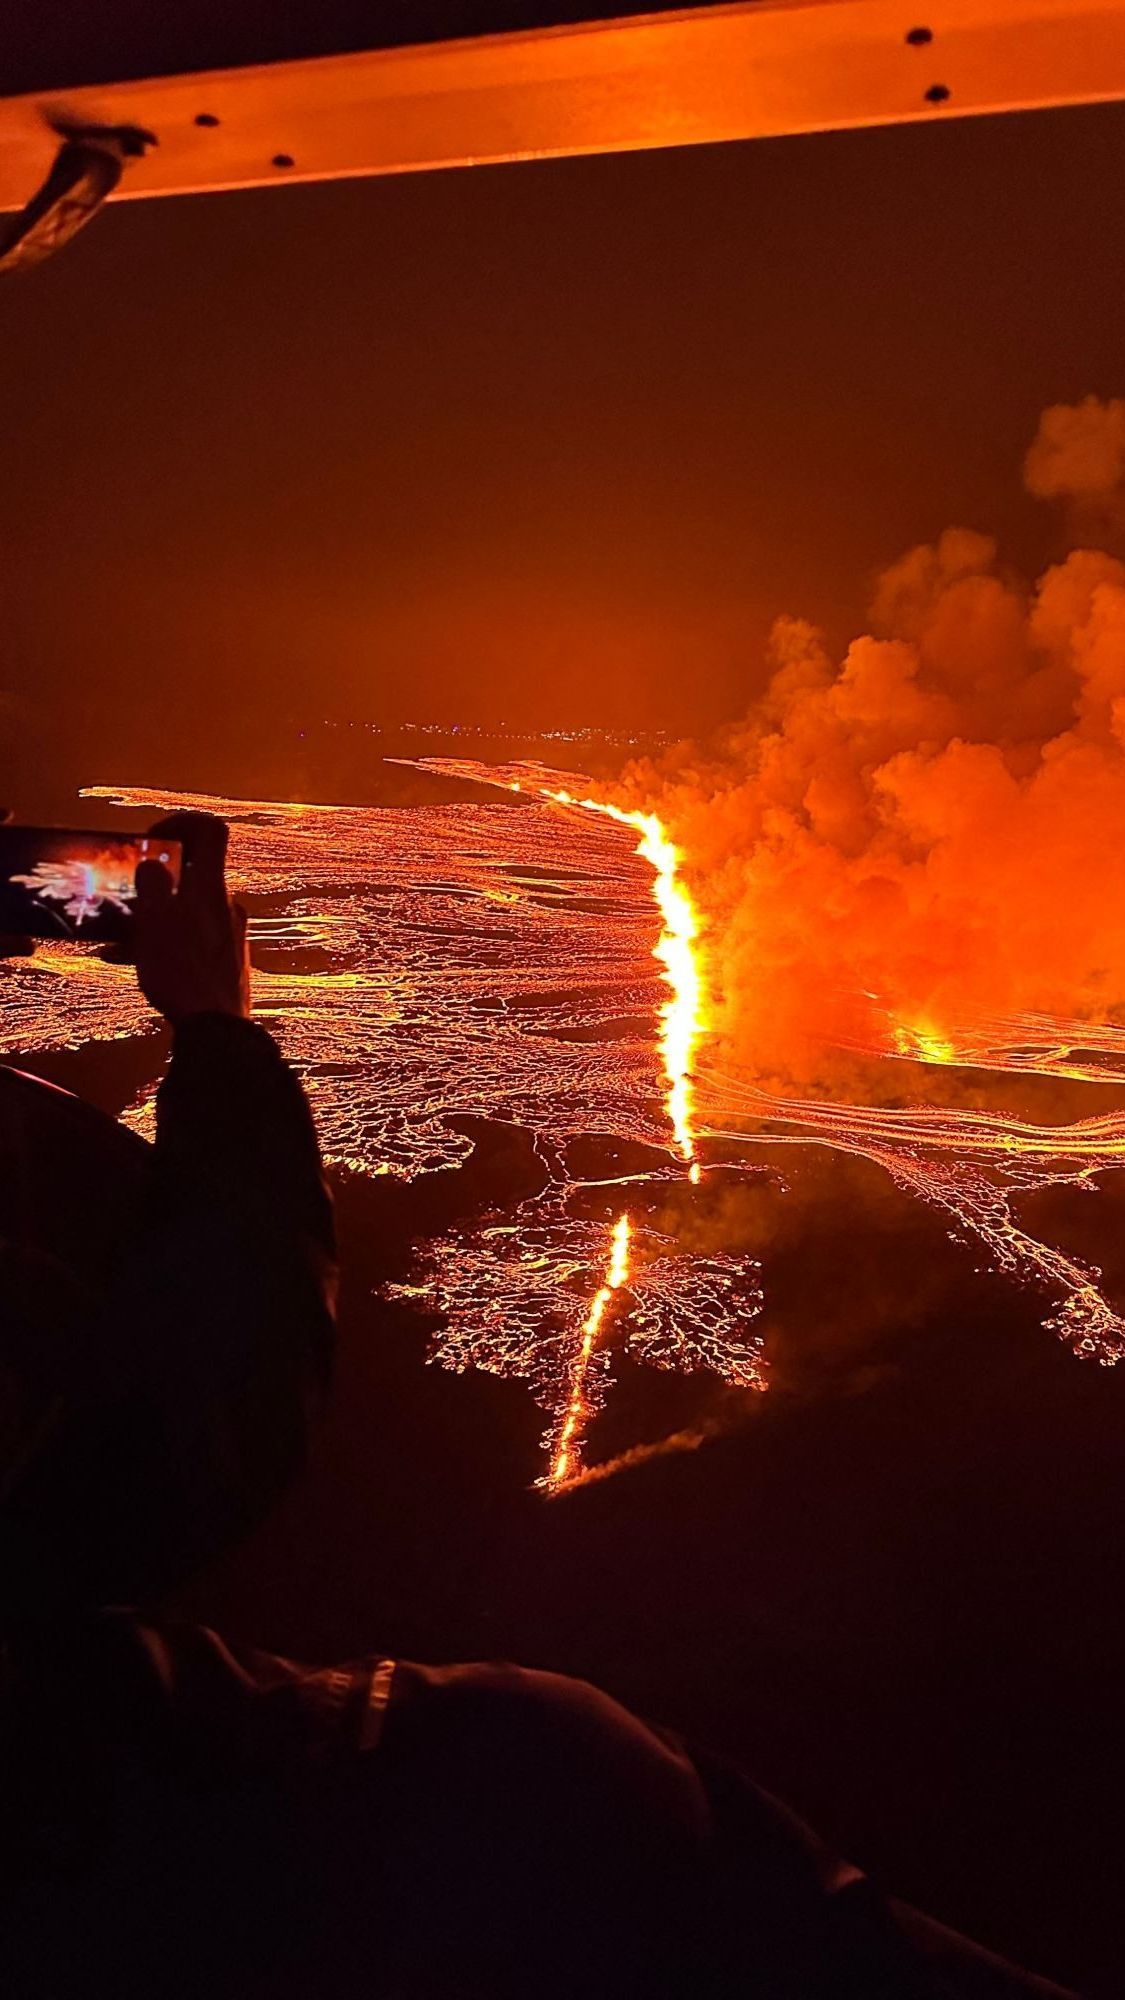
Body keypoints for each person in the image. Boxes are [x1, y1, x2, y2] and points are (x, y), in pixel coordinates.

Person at [0, 813, 1079, 1999]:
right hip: (148, 1810)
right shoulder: (462, 1803)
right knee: (553, 1780)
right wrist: (214, 1030)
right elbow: (200, 1420)